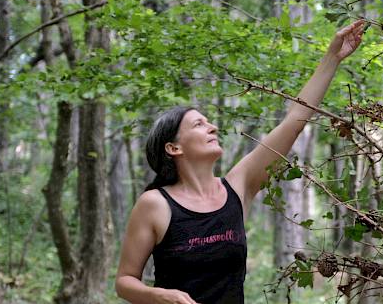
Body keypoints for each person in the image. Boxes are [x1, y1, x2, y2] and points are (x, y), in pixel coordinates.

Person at [115, 20, 365, 304]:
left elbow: (295, 120)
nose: (212, 128)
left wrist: (332, 57)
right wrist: (161, 296)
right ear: (173, 147)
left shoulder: (238, 186)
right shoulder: (155, 204)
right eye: (199, 124)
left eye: (210, 122)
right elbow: (125, 281)